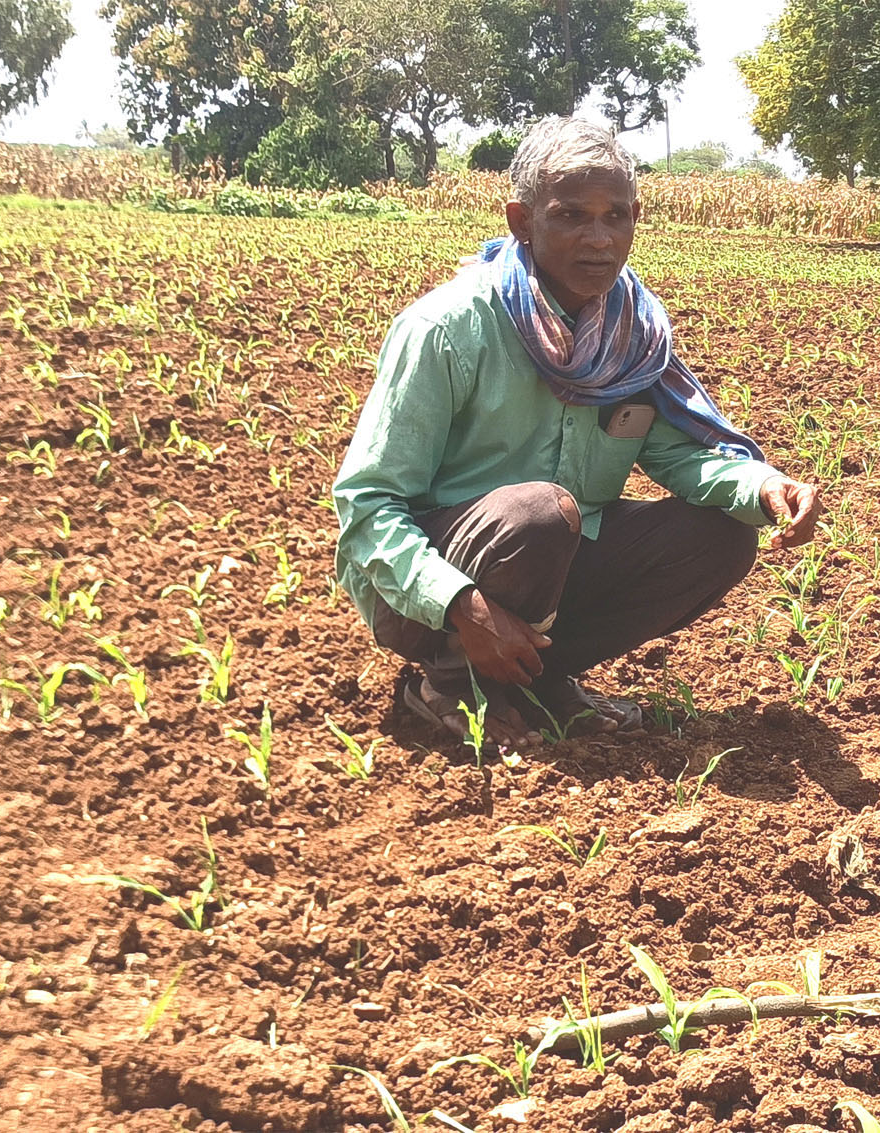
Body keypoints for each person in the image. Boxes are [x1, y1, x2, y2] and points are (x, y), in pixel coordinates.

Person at [331, 117, 822, 749]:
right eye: (570, 216)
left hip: (552, 564)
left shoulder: (632, 336)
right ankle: (447, 682)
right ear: (521, 221)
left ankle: (542, 680)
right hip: (430, 588)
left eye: (616, 216)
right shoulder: (448, 329)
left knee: (722, 534)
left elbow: (676, 453)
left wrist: (762, 486)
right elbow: (368, 509)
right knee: (541, 513)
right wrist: (460, 605)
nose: (598, 239)